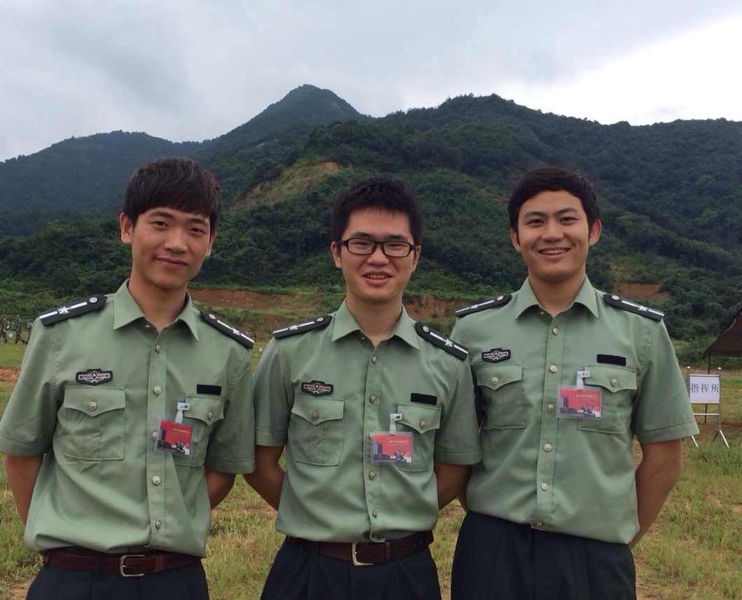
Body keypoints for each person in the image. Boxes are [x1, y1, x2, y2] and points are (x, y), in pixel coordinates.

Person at [0, 157, 255, 600]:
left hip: (176, 581)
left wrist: (170, 518)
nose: (177, 243)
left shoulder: (229, 353)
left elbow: (222, 469)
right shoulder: (61, 336)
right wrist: (66, 539)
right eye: (161, 223)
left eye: (195, 229)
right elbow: (21, 454)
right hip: (73, 579)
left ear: (210, 242)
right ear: (127, 228)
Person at [450, 166, 699, 600]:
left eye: (567, 219)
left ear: (593, 230)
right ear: (515, 238)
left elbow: (665, 457)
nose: (552, 234)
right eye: (535, 221)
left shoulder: (641, 333)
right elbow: (455, 448)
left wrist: (616, 537)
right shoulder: (474, 331)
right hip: (492, 552)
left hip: (596, 558)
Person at [245, 177, 480, 600]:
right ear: (337, 252)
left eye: (395, 245)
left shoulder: (448, 364)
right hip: (308, 572)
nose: (378, 258)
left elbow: (452, 471)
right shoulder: (289, 353)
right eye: (362, 243)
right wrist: (315, 514)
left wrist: (402, 514)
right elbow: (259, 462)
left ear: (415, 256)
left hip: (406, 576)